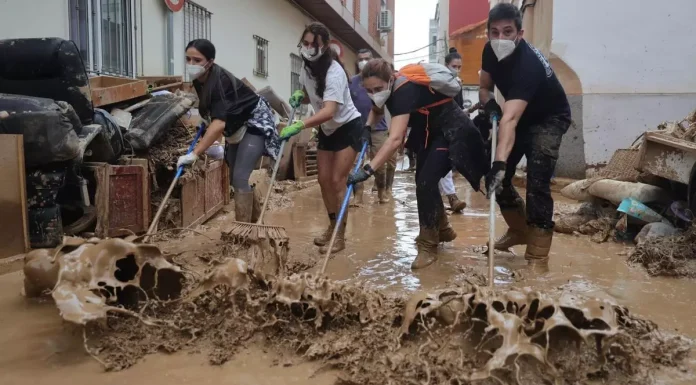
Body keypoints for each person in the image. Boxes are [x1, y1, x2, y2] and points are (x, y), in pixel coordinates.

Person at [347, 59, 488, 270]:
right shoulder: (384, 92)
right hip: (429, 134)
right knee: (422, 180)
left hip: (452, 131)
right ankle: (443, 228)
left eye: (378, 88)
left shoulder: (403, 91)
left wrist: (367, 170)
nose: (374, 93)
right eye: (369, 90)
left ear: (391, 79)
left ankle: (428, 244)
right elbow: (377, 110)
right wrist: (367, 126)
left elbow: (394, 139)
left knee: (426, 181)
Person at [479, 3, 571, 264]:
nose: (500, 39)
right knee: (500, 179)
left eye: (507, 32)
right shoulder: (489, 51)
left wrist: (499, 162)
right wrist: (489, 104)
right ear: (487, 34)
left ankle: (537, 255)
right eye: (494, 32)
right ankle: (519, 230)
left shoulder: (527, 65)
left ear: (520, 33)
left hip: (549, 117)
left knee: (537, 181)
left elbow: (510, 119)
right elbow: (484, 88)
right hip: (517, 113)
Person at [281, 22, 367, 254]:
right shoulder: (306, 67)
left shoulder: (335, 72)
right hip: (328, 129)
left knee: (338, 181)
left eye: (314, 44)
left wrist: (300, 124)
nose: (308, 48)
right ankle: (332, 225)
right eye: (306, 43)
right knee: (323, 179)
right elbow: (315, 97)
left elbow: (329, 110)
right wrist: (302, 96)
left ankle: (340, 234)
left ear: (325, 45)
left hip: (347, 126)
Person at [177, 39, 281, 223]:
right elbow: (214, 111)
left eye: (197, 60)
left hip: (254, 121)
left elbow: (219, 125)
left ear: (210, 61)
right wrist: (205, 117)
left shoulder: (220, 82)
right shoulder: (199, 80)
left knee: (241, 177)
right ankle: (256, 224)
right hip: (236, 124)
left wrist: (194, 154)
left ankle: (244, 231)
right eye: (188, 59)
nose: (191, 64)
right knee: (235, 178)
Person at [350, 48, 394, 204]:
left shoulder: (384, 83)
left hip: (379, 129)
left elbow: (379, 109)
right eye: (360, 59)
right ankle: (358, 196)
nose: (363, 62)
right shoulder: (352, 82)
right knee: (355, 164)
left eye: (367, 58)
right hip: (357, 128)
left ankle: (382, 192)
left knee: (379, 164)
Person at [439, 48, 468, 213]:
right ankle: (450, 197)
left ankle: (448, 198)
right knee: (441, 163)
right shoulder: (439, 82)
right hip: (438, 128)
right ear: (446, 65)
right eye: (454, 66)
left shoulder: (459, 83)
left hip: (452, 128)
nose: (456, 70)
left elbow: (460, 107)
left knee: (445, 163)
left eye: (459, 67)